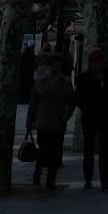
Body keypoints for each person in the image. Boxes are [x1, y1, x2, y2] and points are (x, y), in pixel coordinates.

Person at [25, 54, 75, 189]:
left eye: (58, 66)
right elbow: (32, 104)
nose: (55, 68)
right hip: (43, 121)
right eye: (53, 65)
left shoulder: (65, 83)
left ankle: (50, 180)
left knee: (55, 152)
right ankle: (37, 175)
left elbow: (71, 102)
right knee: (42, 150)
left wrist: (65, 116)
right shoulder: (39, 82)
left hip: (58, 122)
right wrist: (29, 122)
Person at [75, 47, 108, 191]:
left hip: (105, 116)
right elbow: (79, 99)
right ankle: (88, 178)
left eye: (101, 61)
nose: (99, 64)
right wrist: (88, 108)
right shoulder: (83, 78)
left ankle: (105, 180)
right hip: (89, 116)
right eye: (96, 61)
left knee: (104, 149)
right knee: (88, 149)